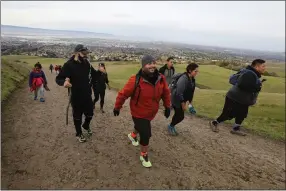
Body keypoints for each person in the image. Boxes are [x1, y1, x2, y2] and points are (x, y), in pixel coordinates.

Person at [113, 55, 171, 168]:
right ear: (143, 65)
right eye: (149, 63)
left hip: (151, 112)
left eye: (154, 63)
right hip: (138, 112)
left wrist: (167, 106)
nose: (152, 65)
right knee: (146, 133)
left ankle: (133, 135)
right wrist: (117, 107)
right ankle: (143, 154)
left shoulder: (161, 78)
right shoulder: (135, 80)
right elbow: (123, 94)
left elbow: (165, 93)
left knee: (141, 127)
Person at [209, 59, 266, 136]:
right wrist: (257, 87)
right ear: (257, 66)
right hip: (234, 98)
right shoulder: (249, 73)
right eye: (263, 66)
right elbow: (242, 85)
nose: (264, 68)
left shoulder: (251, 73)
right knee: (227, 114)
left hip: (243, 99)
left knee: (242, 114)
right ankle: (214, 123)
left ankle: (235, 129)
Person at [56, 44, 99, 143]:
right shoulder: (68, 65)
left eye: (86, 53)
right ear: (76, 53)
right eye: (83, 53)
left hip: (87, 94)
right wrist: (64, 82)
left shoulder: (87, 63)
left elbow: (94, 75)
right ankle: (79, 133)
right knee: (77, 116)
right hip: (75, 95)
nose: (85, 55)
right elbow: (59, 78)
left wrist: (100, 73)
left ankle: (86, 125)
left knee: (90, 114)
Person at [168, 63, 199, 135]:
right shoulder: (183, 78)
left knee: (179, 115)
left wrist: (190, 105)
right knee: (180, 116)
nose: (197, 73)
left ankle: (172, 125)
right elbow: (179, 93)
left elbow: (190, 93)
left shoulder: (192, 79)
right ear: (190, 70)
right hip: (176, 99)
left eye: (197, 71)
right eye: (195, 71)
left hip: (182, 100)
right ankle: (171, 126)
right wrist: (183, 104)